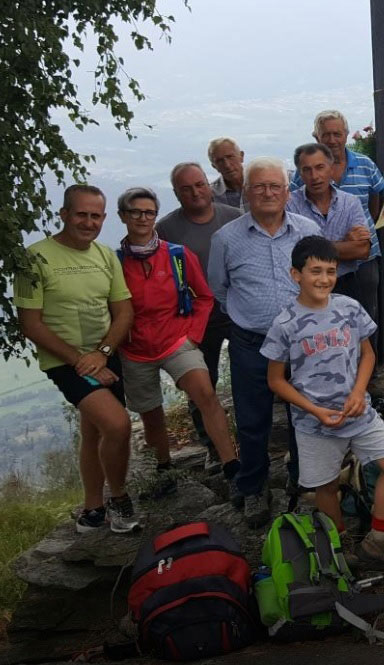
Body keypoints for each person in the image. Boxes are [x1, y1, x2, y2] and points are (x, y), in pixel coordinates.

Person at [260, 236, 384, 575]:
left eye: (330, 271)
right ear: (295, 274)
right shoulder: (285, 323)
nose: (324, 279)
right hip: (314, 423)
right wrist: (314, 410)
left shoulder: (348, 308)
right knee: (325, 486)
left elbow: (368, 354)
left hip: (358, 412)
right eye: (315, 271)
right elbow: (276, 380)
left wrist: (359, 392)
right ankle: (340, 550)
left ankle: (377, 541)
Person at [14, 184, 138, 534]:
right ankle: (119, 496)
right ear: (64, 214)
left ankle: (92, 508)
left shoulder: (104, 255)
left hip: (104, 354)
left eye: (95, 216)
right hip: (64, 360)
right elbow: (31, 324)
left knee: (94, 428)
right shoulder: (33, 258)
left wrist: (101, 354)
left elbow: (124, 312)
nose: (88, 222)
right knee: (116, 424)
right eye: (81, 214)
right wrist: (81, 361)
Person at [207, 157, 322, 528]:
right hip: (251, 343)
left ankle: (305, 483)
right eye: (260, 187)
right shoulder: (226, 239)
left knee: (303, 414)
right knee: (252, 418)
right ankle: (254, 487)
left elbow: (320, 280)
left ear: (288, 193)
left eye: (275, 186)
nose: (268, 193)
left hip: (302, 342)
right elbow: (219, 289)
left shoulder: (307, 231)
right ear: (246, 193)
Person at [114, 187, 240, 499]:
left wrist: (192, 335)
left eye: (149, 212)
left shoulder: (177, 255)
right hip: (135, 348)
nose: (143, 218)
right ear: (123, 217)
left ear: (156, 216)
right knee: (151, 413)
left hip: (175, 340)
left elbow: (204, 297)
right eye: (136, 212)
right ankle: (164, 468)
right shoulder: (114, 263)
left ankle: (232, 467)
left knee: (205, 394)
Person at [156, 162, 242, 473]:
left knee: (247, 374)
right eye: (186, 189)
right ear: (177, 194)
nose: (195, 192)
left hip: (237, 310)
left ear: (208, 184)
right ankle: (212, 446)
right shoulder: (166, 229)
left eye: (199, 184)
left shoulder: (233, 217)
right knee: (202, 385)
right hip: (196, 318)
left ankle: (245, 439)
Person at [291, 110, 384, 326]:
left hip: (365, 256)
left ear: (345, 134)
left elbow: (377, 197)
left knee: (365, 315)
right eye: (326, 135)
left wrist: (365, 225)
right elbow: (295, 208)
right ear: (316, 137)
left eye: (337, 134)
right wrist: (345, 244)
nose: (332, 140)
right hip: (316, 268)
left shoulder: (365, 164)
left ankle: (369, 358)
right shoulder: (304, 173)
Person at [285, 143, 372, 303]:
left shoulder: (350, 202)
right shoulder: (289, 204)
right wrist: (345, 244)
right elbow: (290, 252)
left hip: (345, 285)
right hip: (303, 289)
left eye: (320, 167)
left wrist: (310, 248)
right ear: (300, 174)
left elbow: (363, 250)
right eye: (307, 170)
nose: (314, 176)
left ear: (331, 169)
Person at [207, 137, 247, 211]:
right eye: (219, 161)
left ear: (241, 156)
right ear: (214, 166)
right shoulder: (211, 195)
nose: (227, 165)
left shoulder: (262, 182)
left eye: (230, 157)